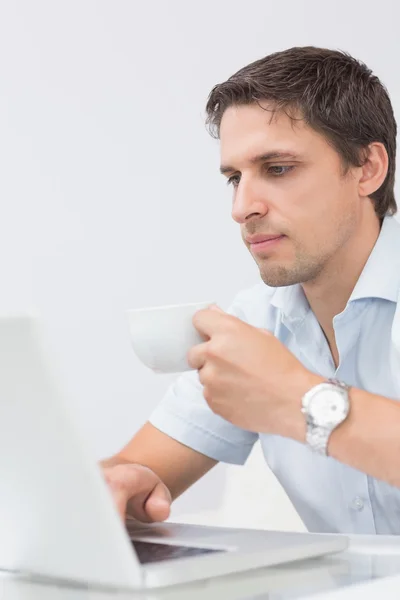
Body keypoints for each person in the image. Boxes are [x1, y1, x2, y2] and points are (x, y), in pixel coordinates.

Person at [102, 46, 400, 535]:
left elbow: (287, 393)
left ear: (367, 168)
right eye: (235, 178)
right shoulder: (257, 321)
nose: (242, 207)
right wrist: (128, 482)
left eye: (278, 169)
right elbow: (133, 472)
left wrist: (296, 398)